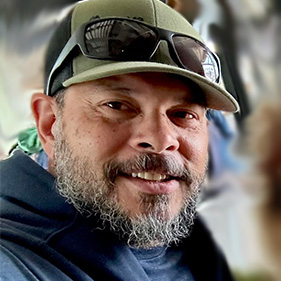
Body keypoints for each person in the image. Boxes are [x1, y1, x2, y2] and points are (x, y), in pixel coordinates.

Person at [0, 0, 239, 280]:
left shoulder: (221, 245)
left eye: (182, 114)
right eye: (117, 106)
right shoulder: (16, 258)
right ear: (50, 124)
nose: (161, 140)